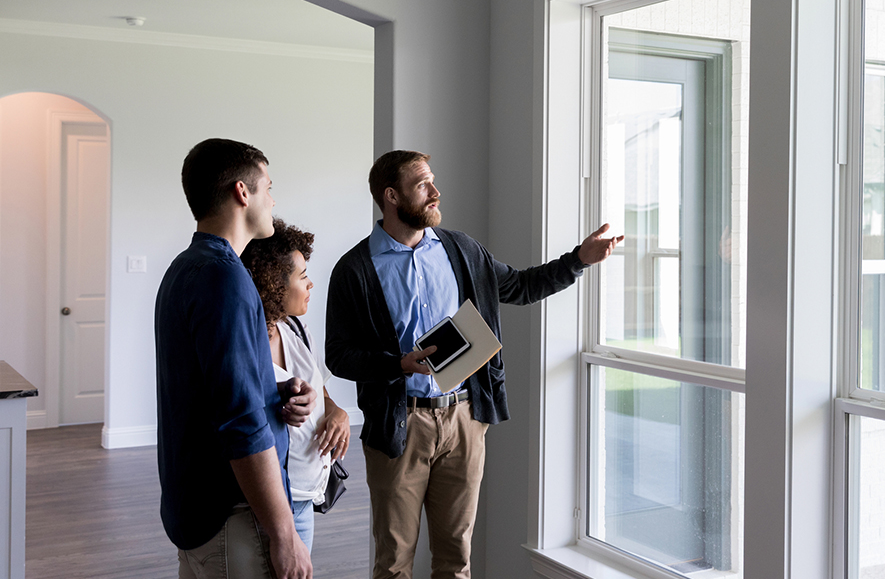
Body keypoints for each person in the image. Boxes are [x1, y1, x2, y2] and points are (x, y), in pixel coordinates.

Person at [325, 150, 623, 579]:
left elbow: (520, 286)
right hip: (399, 425)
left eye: (433, 182)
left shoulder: (461, 250)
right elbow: (338, 354)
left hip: (465, 419)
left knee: (456, 558)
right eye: (423, 184)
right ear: (391, 196)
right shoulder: (355, 269)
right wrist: (399, 363)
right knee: (393, 563)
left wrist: (579, 259)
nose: (436, 192)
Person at [155, 138, 317, 579]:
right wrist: (285, 532)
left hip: (195, 511)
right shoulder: (226, 279)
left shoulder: (184, 269)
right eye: (268, 186)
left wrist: (274, 389)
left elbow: (204, 388)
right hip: (232, 518)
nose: (273, 199)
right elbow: (239, 422)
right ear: (243, 192)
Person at [242, 218, 353, 552]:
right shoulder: (246, 342)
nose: (310, 285)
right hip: (271, 507)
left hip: (307, 498)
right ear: (274, 283)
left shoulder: (295, 329)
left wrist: (337, 413)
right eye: (302, 276)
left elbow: (321, 390)